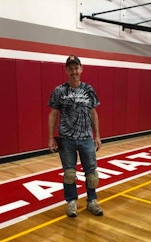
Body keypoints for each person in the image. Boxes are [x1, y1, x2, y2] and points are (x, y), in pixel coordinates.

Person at [48, 55, 103, 217]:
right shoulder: (59, 91)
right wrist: (51, 137)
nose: (74, 71)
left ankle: (92, 201)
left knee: (92, 174)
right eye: (70, 69)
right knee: (69, 174)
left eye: (76, 68)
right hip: (66, 139)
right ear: (66, 70)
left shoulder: (88, 90)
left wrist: (97, 135)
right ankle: (72, 203)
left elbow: (93, 113)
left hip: (86, 138)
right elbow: (52, 114)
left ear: (81, 69)